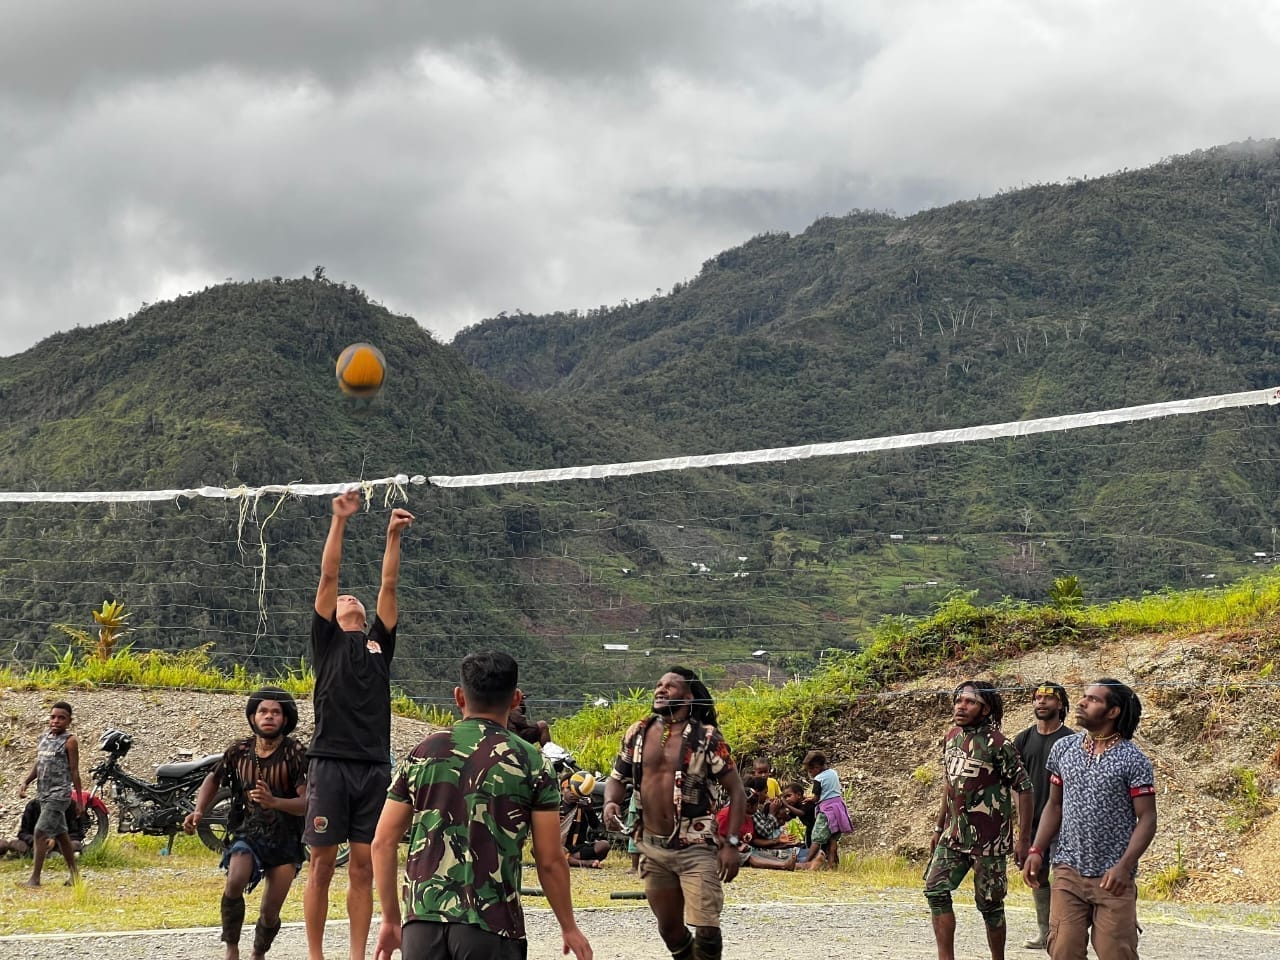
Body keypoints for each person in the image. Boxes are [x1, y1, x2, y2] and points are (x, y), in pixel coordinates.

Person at [370, 651, 592, 960]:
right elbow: (550, 858)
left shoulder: (423, 752)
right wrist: (569, 927)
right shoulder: (532, 762)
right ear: (515, 699)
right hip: (493, 924)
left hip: (422, 921)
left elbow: (382, 842)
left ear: (459, 696)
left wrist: (392, 920)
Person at [304, 490, 413, 960]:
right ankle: (315, 954)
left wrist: (392, 536)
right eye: (341, 597)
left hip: (372, 765)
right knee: (321, 864)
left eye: (354, 597)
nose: (347, 595)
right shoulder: (327, 639)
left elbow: (388, 586)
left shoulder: (378, 645)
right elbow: (329, 573)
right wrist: (339, 520)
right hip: (329, 762)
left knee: (364, 867)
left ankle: (355, 955)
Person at [603, 667, 747, 960]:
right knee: (669, 929)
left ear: (689, 696)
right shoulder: (638, 732)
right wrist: (610, 802)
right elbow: (617, 777)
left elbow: (737, 792)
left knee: (707, 929)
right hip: (653, 847)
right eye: (658, 684)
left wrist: (731, 844)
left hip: (696, 848)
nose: (661, 689)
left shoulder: (707, 738)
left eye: (670, 685)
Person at [1022, 679, 1157, 960]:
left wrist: (1124, 867)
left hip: (1113, 877)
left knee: (1115, 952)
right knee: (1063, 948)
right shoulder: (1064, 749)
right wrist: (1036, 849)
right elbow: (1054, 805)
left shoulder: (1133, 759)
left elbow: (1147, 818)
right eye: (1084, 697)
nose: (1082, 702)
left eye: (1093, 699)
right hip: (1068, 869)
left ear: (1113, 712)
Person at [184, 688, 308, 960]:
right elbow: (213, 779)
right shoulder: (238, 751)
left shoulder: (295, 752)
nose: (269, 717)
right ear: (252, 717)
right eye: (263, 711)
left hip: (287, 837)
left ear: (285, 719)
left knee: (270, 912)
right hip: (249, 830)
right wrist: (199, 810)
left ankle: (258, 952)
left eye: (276, 712)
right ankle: (231, 948)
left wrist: (274, 801)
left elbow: (307, 803)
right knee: (235, 878)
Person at [925, 680, 1032, 960]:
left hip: (989, 841)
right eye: (959, 700)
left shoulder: (999, 744)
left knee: (990, 905)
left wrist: (1024, 839)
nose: (961, 705)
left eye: (970, 702)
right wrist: (940, 826)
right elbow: (950, 784)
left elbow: (1025, 788)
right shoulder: (951, 738)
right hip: (955, 835)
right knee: (935, 890)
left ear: (985, 709)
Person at [1012, 681, 1073, 950]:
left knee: (1066, 877)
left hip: (1066, 822)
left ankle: (1067, 931)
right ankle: (1044, 931)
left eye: (1048, 698)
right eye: (1037, 698)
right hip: (1034, 821)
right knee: (1037, 874)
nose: (1041, 702)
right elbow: (1014, 781)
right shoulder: (1023, 739)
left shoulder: (1072, 740)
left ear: (1060, 705)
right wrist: (1022, 816)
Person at [17, 700, 82, 887]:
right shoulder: (44, 738)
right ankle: (75, 876)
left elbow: (75, 771)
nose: (56, 721)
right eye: (53, 717)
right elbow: (40, 763)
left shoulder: (70, 741)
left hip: (59, 794)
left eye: (61, 718)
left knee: (40, 831)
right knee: (62, 834)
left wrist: (79, 800)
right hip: (43, 794)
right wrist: (26, 781)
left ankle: (35, 879)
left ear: (69, 721)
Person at [717, 780, 797, 871]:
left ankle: (790, 864)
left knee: (761, 855)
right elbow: (717, 836)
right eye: (756, 805)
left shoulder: (748, 817)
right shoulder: (726, 815)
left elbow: (753, 840)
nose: (758, 808)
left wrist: (776, 840)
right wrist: (737, 845)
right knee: (747, 856)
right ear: (749, 806)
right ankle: (783, 865)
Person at [802, 750, 853, 868]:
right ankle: (832, 865)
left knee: (816, 837)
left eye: (810, 771)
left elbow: (816, 798)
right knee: (833, 838)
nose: (810, 774)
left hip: (827, 810)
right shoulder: (833, 772)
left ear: (816, 767)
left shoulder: (818, 779)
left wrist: (809, 799)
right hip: (839, 807)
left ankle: (806, 861)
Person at [0, 797, 86, 858]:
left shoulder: (70, 805)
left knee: (75, 845)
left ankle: (51, 854)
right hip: (34, 845)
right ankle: (45, 854)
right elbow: (22, 833)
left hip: (59, 844)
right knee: (14, 844)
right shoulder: (33, 806)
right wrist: (34, 840)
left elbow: (77, 834)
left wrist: (56, 841)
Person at [560, 773, 611, 867]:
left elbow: (596, 826)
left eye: (575, 789)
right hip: (559, 847)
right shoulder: (556, 807)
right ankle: (584, 863)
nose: (572, 792)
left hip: (578, 849)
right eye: (569, 788)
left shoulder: (583, 806)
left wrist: (589, 810)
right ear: (562, 790)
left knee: (604, 845)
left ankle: (569, 859)